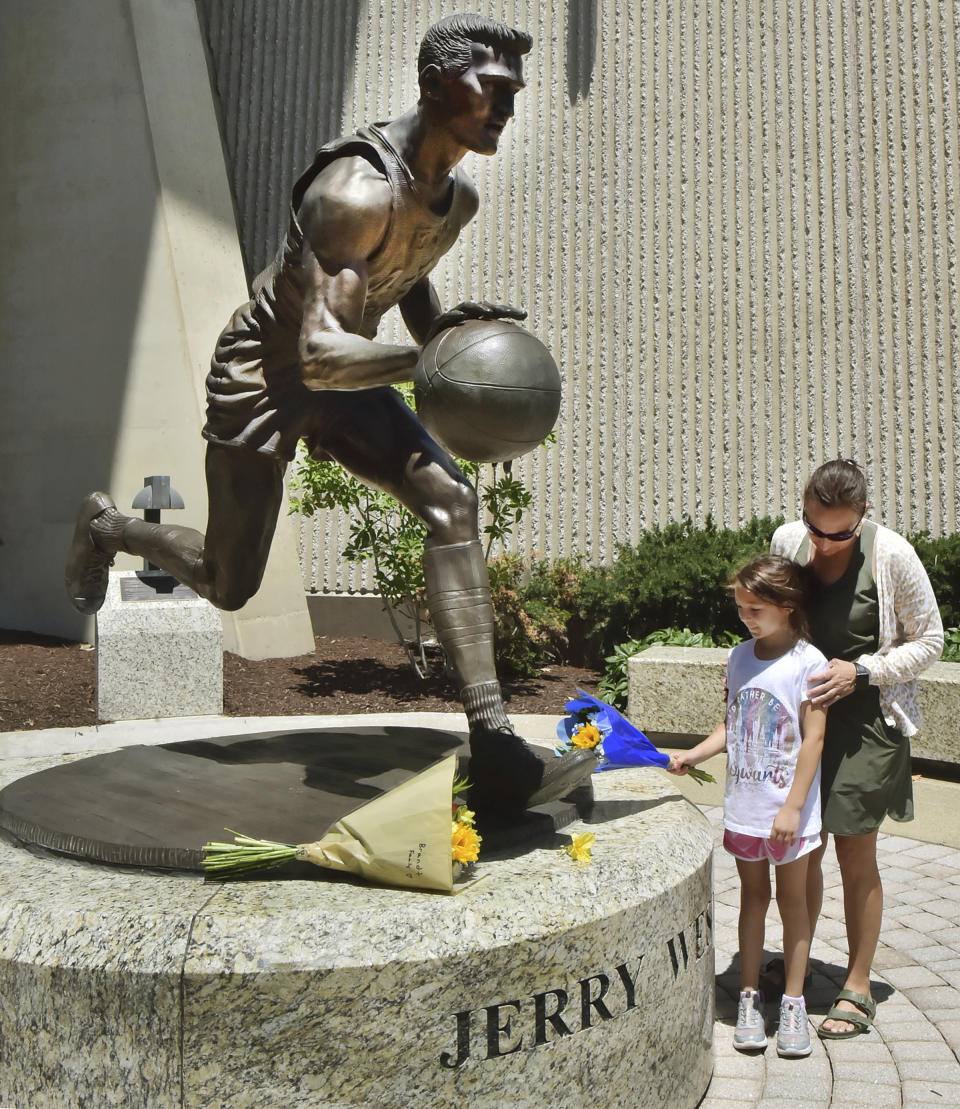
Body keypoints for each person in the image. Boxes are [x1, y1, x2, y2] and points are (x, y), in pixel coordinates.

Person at [64, 13, 594, 809]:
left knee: (453, 501)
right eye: (493, 89)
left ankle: (493, 739)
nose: (507, 107)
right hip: (269, 376)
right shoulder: (351, 190)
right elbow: (314, 352)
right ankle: (108, 529)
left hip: (351, 373)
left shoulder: (455, 200)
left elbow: (403, 269)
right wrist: (436, 366)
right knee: (228, 580)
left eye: (515, 92)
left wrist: (439, 330)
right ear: (438, 82)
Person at [771, 458, 943, 1038]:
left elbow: (931, 640)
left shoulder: (893, 554)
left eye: (839, 533)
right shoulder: (788, 541)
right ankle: (799, 966)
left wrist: (864, 672)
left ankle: (858, 984)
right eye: (815, 528)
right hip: (803, 722)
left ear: (863, 516)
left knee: (854, 855)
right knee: (801, 852)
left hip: (868, 723)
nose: (822, 543)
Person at [670, 555, 828, 1057]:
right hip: (744, 808)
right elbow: (732, 723)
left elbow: (814, 740)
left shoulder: (810, 663)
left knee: (794, 903)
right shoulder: (739, 658)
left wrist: (792, 808)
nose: (745, 617)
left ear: (787, 606)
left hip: (789, 815)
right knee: (752, 898)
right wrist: (694, 753)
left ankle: (795, 1002)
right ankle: (749, 996)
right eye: (740, 607)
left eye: (754, 608)